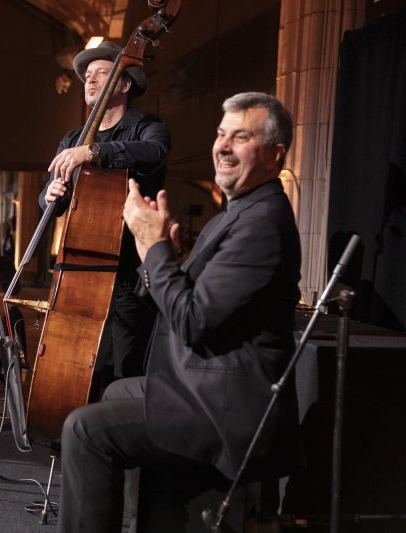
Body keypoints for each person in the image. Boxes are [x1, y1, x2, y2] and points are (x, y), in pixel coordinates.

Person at [58, 92, 302, 532]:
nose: (223, 146)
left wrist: (152, 248)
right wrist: (156, 254)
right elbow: (184, 299)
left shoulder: (260, 223)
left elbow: (192, 322)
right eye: (221, 134)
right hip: (203, 383)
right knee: (115, 393)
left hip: (225, 407)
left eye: (241, 137)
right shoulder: (239, 212)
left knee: (83, 429)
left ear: (274, 154)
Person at [40, 41, 171, 386]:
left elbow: (154, 153)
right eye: (88, 76)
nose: (91, 80)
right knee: (75, 367)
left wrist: (95, 151)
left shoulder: (148, 127)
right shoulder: (72, 139)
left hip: (128, 275)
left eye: (101, 74)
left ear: (125, 84)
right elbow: (51, 200)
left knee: (125, 370)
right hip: (78, 272)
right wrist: (50, 195)